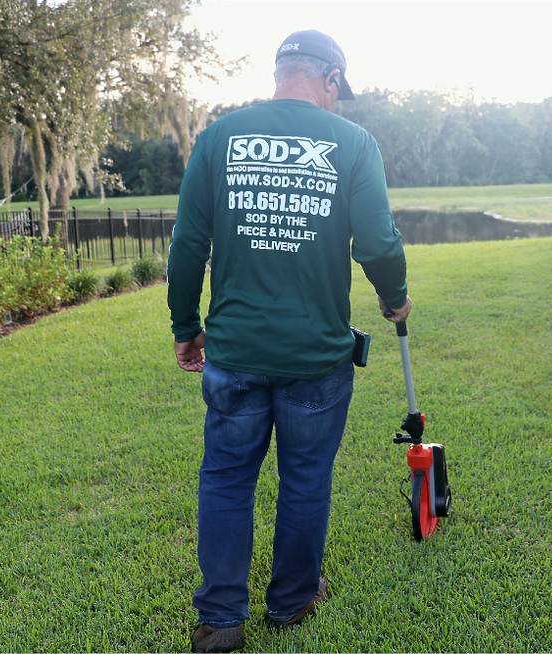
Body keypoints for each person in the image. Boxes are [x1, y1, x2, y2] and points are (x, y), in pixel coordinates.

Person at [167, 29, 412, 654]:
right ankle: (292, 602)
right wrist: (393, 297)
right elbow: (379, 243)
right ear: (329, 79)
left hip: (234, 354)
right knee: (305, 478)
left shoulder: (219, 138)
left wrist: (185, 326)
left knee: (225, 478)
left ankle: (222, 621)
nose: (338, 102)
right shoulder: (353, 143)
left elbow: (188, 246)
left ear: (281, 72)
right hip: (316, 359)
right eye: (340, 91)